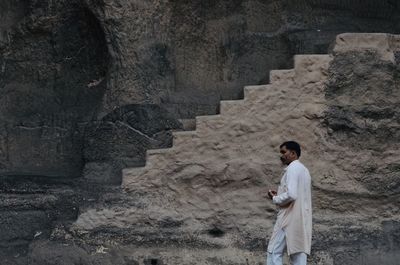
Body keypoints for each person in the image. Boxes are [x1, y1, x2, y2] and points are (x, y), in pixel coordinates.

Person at [266, 141, 312, 265]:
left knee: (273, 252)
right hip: (301, 218)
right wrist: (281, 195)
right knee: (299, 253)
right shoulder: (304, 170)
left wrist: (275, 199)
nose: (281, 155)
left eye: (283, 152)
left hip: (288, 217)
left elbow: (292, 194)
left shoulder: (292, 168)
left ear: (293, 153)